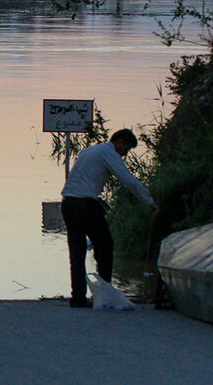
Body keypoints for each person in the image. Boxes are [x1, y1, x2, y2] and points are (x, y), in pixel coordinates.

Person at [60, 128, 160, 308]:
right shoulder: (108, 152)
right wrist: (150, 202)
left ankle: (78, 297)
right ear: (119, 142)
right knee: (105, 247)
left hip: (68, 203)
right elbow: (127, 179)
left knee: (77, 251)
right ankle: (105, 294)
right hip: (85, 205)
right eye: (126, 149)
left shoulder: (90, 150)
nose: (124, 154)